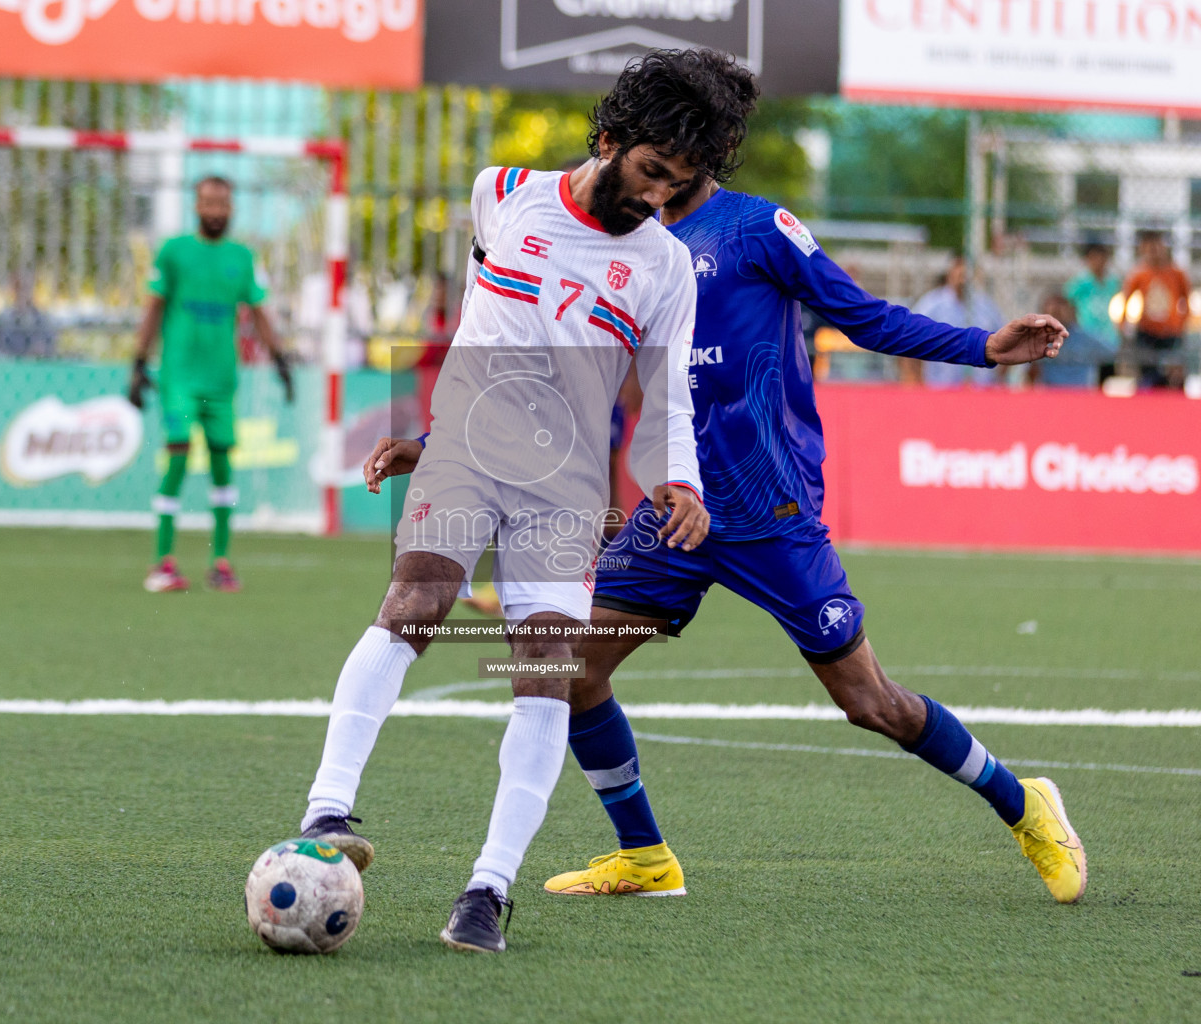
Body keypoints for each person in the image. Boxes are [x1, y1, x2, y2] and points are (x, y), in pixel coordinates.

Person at [498, 58, 1078, 909]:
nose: (663, 181)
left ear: (710, 159)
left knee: (870, 702)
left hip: (768, 505)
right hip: (675, 511)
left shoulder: (758, 230)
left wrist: (982, 348)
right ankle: (645, 857)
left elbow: (863, 314)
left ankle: (1024, 803)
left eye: (684, 162)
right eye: (655, 159)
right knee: (573, 667)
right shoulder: (618, 246)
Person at [292, 49, 742, 954]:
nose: (658, 198)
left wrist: (680, 482)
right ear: (609, 138)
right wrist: (436, 427)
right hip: (467, 449)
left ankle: (487, 891)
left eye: (679, 186)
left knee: (546, 672)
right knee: (416, 601)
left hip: (565, 483)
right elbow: (483, 323)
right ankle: (328, 811)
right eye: (653, 172)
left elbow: (668, 402)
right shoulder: (500, 191)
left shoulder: (665, 269)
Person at [130, 175, 294, 594]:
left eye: (222, 203)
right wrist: (137, 362)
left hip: (222, 382)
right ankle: (162, 562)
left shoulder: (242, 258)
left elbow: (259, 313)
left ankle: (220, 562)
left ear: (231, 208)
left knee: (223, 466)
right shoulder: (173, 252)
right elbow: (153, 308)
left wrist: (280, 360)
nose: (215, 210)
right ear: (196, 206)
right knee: (180, 453)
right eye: (208, 202)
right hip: (179, 378)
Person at [910, 255, 1005, 387]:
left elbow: (1003, 342)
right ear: (950, 273)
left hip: (980, 391)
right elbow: (912, 340)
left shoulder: (986, 306)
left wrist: (998, 381)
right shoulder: (931, 304)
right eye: (959, 272)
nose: (963, 278)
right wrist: (916, 383)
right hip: (939, 389)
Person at [1121, 231, 1191, 388]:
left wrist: (1181, 323)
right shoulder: (1139, 274)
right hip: (1147, 332)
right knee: (1147, 372)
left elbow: (1185, 300)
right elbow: (1126, 299)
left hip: (1171, 332)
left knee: (1174, 373)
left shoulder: (1176, 273)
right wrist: (1123, 323)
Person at [1064, 242, 1122, 377]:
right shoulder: (1080, 283)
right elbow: (1067, 302)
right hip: (1087, 335)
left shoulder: (1113, 282)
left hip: (1109, 337)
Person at [1032, 294, 1113, 389]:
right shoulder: (1038, 340)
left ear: (1071, 311)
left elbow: (1111, 355)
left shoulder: (1087, 338)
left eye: (1060, 310)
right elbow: (1030, 373)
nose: (1057, 317)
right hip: (1050, 394)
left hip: (1081, 394)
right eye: (1053, 314)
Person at [0, 275, 57, 360]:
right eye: (19, 287)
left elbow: (49, 344)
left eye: (26, 288)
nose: (23, 292)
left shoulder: (41, 319)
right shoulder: (3, 318)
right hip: (7, 361)